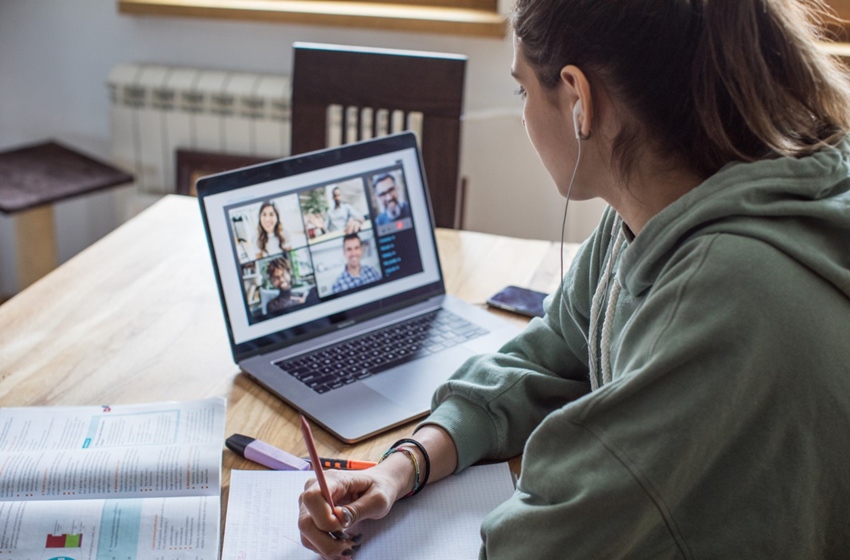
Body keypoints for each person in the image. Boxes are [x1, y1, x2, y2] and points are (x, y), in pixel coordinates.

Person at [299, 1, 850, 558]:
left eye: (522, 91)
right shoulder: (657, 206)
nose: (523, 114)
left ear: (579, 99)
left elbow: (538, 544)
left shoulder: (723, 297)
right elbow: (553, 353)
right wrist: (404, 466)